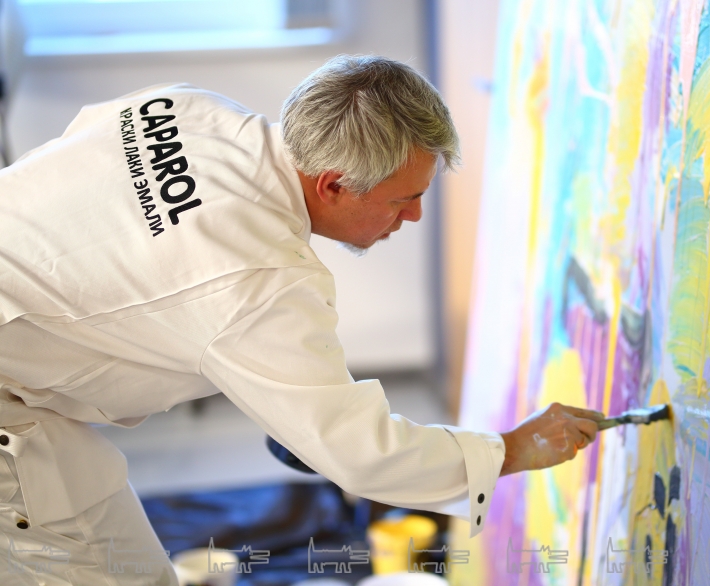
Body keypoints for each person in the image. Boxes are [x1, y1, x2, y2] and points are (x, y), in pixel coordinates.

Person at [0, 54, 603, 584]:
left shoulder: (186, 107)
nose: (415, 217)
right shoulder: (261, 279)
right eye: (403, 199)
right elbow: (361, 452)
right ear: (334, 185)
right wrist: (512, 449)